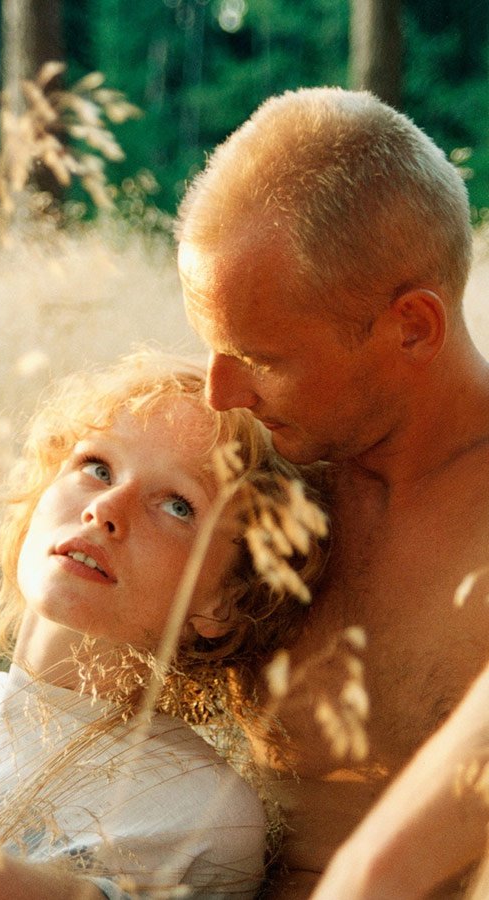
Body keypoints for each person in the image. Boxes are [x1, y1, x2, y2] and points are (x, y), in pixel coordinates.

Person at [176, 86, 489, 897]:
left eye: (260, 358)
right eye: (212, 348)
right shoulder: (248, 476)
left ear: (413, 326)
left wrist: (368, 874)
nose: (220, 393)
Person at [0, 348, 328, 900]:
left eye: (177, 505)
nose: (106, 510)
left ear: (226, 600)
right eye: (98, 469)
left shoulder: (202, 813)